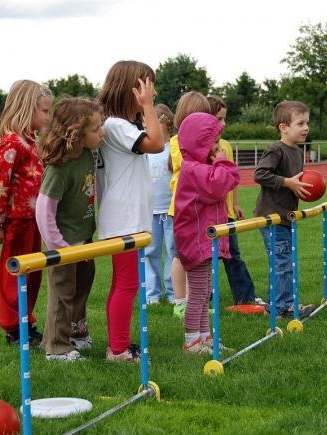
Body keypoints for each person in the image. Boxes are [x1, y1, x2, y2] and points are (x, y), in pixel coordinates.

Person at [97, 60, 164, 363]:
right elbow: (157, 143)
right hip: (124, 217)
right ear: (131, 90)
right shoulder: (116, 125)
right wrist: (149, 106)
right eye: (146, 86)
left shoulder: (121, 126)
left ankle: (119, 344)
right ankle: (118, 349)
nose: (151, 92)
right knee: (127, 284)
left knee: (126, 283)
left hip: (128, 216)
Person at [35, 97, 104, 361]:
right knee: (62, 294)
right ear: (76, 133)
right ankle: (56, 345)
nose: (102, 132)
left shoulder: (87, 153)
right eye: (96, 128)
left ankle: (75, 333)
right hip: (62, 242)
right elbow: (44, 210)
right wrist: (58, 247)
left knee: (82, 287)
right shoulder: (59, 167)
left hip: (83, 238)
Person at [0, 80, 53, 345]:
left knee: (33, 273)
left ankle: (26, 320)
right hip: (16, 222)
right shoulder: (12, 143)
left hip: (32, 221)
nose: (47, 117)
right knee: (15, 273)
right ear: (27, 109)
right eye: (44, 111)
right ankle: (14, 326)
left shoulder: (30, 142)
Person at [174, 112, 239, 353]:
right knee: (199, 295)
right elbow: (220, 185)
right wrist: (222, 161)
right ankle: (192, 340)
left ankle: (204, 338)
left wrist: (219, 162)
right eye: (213, 142)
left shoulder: (199, 167)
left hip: (203, 239)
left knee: (204, 294)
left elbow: (229, 180)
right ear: (199, 143)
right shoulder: (194, 169)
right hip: (197, 240)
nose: (217, 147)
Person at [253, 101, 315, 319]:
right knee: (282, 262)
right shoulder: (275, 149)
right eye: (300, 123)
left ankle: (279, 304)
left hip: (286, 217)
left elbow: (294, 182)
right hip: (271, 217)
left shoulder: (298, 153)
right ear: (283, 127)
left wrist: (300, 189)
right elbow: (260, 174)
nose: (306, 127)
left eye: (307, 122)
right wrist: (288, 183)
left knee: (285, 261)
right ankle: (282, 307)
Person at [207, 95, 265, 306]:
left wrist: (235, 203)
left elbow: (231, 178)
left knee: (233, 256)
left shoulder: (226, 146)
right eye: (219, 119)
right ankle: (204, 299)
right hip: (208, 215)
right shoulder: (201, 147)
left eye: (224, 119)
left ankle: (246, 297)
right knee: (205, 260)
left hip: (227, 212)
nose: (223, 124)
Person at [168, 91, 212, 319]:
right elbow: (186, 164)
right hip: (183, 210)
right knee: (181, 255)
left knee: (203, 255)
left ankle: (199, 301)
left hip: (203, 209)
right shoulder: (176, 142)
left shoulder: (208, 142)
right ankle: (179, 301)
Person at [143, 104, 176, 305]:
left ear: (162, 122)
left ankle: (173, 291)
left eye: (148, 120)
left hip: (171, 211)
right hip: (151, 210)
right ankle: (152, 294)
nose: (144, 124)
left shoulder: (174, 147)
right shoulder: (145, 148)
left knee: (173, 251)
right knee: (150, 252)